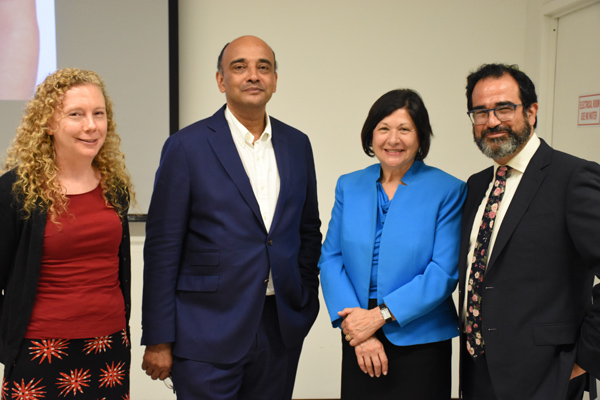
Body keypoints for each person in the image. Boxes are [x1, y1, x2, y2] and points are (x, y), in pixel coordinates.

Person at [141, 35, 322, 400]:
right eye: (240, 67)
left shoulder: (297, 144)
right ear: (222, 81)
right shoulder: (186, 147)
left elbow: (308, 230)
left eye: (263, 67)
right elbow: (162, 247)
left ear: (274, 80)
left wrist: (303, 301)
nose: (253, 75)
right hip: (205, 329)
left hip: (279, 326)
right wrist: (159, 337)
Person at [458, 63, 600, 400]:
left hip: (548, 377)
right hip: (479, 372)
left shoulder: (573, 177)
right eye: (480, 112)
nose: (492, 121)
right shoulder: (478, 185)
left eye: (504, 108)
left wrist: (585, 359)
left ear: (532, 111)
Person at [319, 89, 466, 400]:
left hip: (420, 336)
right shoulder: (349, 184)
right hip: (357, 328)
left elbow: (443, 272)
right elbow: (331, 258)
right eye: (384, 128)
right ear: (371, 134)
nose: (393, 139)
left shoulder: (448, 190)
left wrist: (379, 317)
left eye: (405, 129)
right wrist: (357, 327)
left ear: (421, 136)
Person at [0, 68, 134, 398]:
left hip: (109, 345)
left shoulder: (114, 187)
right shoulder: (17, 190)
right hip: (39, 348)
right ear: (47, 123)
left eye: (98, 114)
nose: (91, 125)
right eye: (76, 114)